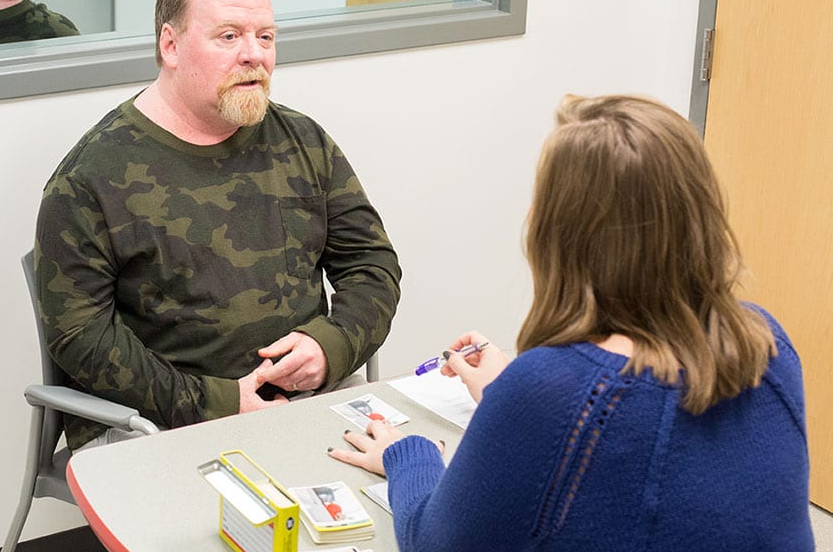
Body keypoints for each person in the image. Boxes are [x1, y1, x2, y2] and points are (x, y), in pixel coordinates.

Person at [329, 94, 814, 552]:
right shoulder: (766, 344)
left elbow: (435, 543)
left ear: (559, 233)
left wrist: (408, 454)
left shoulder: (550, 391)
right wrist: (509, 393)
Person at [33, 0, 401, 449]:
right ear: (171, 45)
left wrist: (329, 346)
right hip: (161, 423)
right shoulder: (91, 179)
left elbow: (373, 266)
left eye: (265, 36)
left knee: (398, 501)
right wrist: (216, 403)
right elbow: (80, 337)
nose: (254, 53)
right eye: (229, 36)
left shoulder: (304, 142)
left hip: (307, 402)